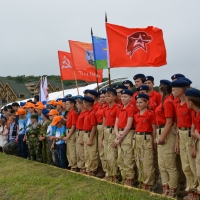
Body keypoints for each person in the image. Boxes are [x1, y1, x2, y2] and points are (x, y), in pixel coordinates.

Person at [172, 80, 198, 199]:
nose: (172, 92)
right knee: (185, 165)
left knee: (193, 165)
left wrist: (194, 142)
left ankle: (195, 191)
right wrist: (177, 141)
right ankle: (190, 189)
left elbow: (194, 123)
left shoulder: (190, 105)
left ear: (181, 91)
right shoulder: (177, 103)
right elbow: (178, 124)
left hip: (190, 135)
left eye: (174, 90)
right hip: (181, 134)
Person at [155, 80, 178, 197]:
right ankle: (165, 187)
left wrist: (162, 138)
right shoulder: (164, 101)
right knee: (162, 163)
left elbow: (169, 122)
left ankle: (172, 189)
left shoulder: (168, 102)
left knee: (169, 164)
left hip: (166, 132)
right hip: (161, 131)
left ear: (162, 90)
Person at [114, 89, 137, 186]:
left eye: (125, 97)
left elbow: (129, 125)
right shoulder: (120, 108)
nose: (123, 98)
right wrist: (117, 134)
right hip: (119, 133)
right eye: (122, 96)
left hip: (127, 133)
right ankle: (124, 177)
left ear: (130, 98)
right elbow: (116, 123)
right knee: (120, 157)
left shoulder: (130, 108)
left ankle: (129, 179)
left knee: (127, 157)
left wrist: (121, 136)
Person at [134, 93, 156, 191]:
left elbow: (154, 128)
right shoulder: (136, 115)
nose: (138, 104)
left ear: (146, 102)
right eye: (137, 102)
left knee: (147, 161)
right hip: (137, 137)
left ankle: (149, 183)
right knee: (139, 160)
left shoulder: (150, 114)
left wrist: (154, 141)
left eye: (141, 102)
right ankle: (142, 180)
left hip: (146, 137)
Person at [185, 88, 200, 200]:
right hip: (197, 143)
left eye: (186, 100)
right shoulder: (196, 113)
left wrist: (196, 135)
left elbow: (196, 133)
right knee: (197, 170)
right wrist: (194, 147)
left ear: (191, 102)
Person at [103, 88, 120, 181]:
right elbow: (104, 123)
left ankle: (114, 175)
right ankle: (108, 173)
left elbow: (117, 122)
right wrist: (102, 137)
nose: (107, 98)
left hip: (113, 131)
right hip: (106, 130)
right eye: (106, 96)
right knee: (106, 153)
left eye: (109, 96)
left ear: (114, 97)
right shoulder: (106, 108)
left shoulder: (117, 108)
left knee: (112, 154)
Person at [82, 96, 98, 175]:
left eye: (84, 103)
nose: (83, 105)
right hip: (85, 133)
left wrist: (91, 139)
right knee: (87, 153)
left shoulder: (92, 113)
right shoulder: (87, 112)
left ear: (87, 103)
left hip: (90, 134)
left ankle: (92, 169)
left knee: (92, 153)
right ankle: (88, 168)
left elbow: (94, 127)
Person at [95, 90, 107, 178]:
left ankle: (107, 171)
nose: (102, 99)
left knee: (105, 150)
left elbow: (104, 122)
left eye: (104, 97)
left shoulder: (107, 107)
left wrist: (102, 134)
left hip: (104, 127)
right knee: (100, 151)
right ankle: (103, 169)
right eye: (101, 97)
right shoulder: (99, 107)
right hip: (97, 127)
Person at [64, 98, 78, 171]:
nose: (65, 106)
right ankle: (71, 164)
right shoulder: (69, 113)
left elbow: (73, 125)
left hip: (71, 132)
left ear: (72, 104)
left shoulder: (73, 113)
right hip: (68, 130)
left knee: (72, 149)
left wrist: (68, 135)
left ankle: (74, 165)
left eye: (67, 104)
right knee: (69, 150)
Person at [76, 98, 88, 174]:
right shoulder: (81, 113)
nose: (77, 106)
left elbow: (85, 126)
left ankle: (84, 167)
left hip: (82, 132)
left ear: (82, 105)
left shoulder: (86, 113)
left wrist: (82, 138)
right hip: (78, 131)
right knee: (79, 151)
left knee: (82, 151)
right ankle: (81, 166)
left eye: (77, 104)